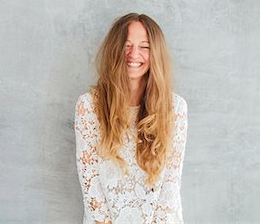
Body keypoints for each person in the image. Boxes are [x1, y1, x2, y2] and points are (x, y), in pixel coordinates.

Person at [74, 13, 188, 223]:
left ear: (156, 53)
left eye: (145, 47)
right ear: (114, 50)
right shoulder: (89, 106)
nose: (134, 54)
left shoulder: (175, 109)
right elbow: (91, 187)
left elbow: (170, 186)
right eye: (127, 45)